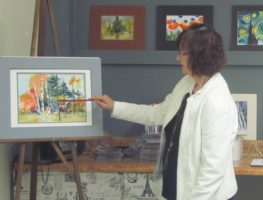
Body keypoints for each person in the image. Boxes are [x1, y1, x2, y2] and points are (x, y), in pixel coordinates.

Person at [89, 23, 238, 200]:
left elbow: (213, 171)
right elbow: (157, 114)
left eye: (182, 53)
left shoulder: (216, 101)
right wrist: (114, 106)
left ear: (199, 56)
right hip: (177, 191)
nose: (177, 58)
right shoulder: (187, 84)